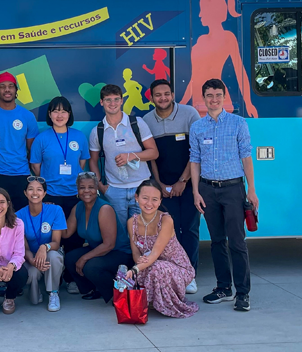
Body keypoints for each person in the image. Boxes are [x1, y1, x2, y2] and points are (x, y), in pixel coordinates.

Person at [190, 78, 259, 312]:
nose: (214, 99)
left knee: (237, 242)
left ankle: (242, 293)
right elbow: (195, 160)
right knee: (217, 241)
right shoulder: (197, 127)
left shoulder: (238, 123)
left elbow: (246, 157)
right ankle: (223, 288)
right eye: (209, 95)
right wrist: (196, 191)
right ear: (204, 99)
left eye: (218, 95)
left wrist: (251, 189)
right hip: (208, 190)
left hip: (233, 189)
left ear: (225, 97)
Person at [142, 80, 202, 294]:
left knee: (190, 230)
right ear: (151, 98)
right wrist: (159, 185)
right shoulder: (146, 120)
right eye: (158, 95)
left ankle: (190, 275)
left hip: (188, 184)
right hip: (162, 188)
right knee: (169, 232)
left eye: (167, 94)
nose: (163, 98)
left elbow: (196, 152)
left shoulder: (189, 114)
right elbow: (152, 159)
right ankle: (174, 274)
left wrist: (182, 181)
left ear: (173, 94)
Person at [29, 96, 88, 292]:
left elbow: (82, 164)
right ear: (49, 114)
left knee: (73, 238)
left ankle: (71, 278)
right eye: (55, 111)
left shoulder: (79, 136)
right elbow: (36, 168)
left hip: (73, 195)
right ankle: (49, 276)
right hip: (51, 196)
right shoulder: (41, 138)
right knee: (51, 237)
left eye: (64, 111)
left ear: (69, 114)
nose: (59, 115)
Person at [125, 180, 199, 318]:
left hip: (176, 267)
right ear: (137, 197)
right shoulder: (132, 223)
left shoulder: (166, 220)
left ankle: (165, 305)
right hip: (149, 263)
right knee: (144, 270)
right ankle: (150, 302)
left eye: (154, 199)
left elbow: (155, 253)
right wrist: (138, 262)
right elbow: (135, 252)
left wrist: (136, 268)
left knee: (156, 267)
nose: (149, 203)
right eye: (145, 198)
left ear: (160, 201)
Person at [89, 84, 158, 228]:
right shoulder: (98, 131)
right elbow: (93, 161)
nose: (112, 104)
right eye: (108, 100)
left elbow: (154, 152)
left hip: (141, 187)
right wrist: (101, 186)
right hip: (114, 190)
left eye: (116, 99)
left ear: (122, 101)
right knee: (119, 235)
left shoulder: (137, 123)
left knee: (142, 233)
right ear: (101, 102)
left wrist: (131, 156)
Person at [181, 0, 258, 118]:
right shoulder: (201, 40)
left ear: (213, 12)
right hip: (198, 105)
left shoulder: (228, 37)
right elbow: (194, 79)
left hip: (216, 103)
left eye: (202, 11)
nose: (200, 15)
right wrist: (180, 106)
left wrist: (248, 103)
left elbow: (240, 72)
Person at [63, 172, 132, 303]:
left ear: (96, 189)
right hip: (99, 249)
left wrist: (84, 258)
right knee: (70, 258)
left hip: (118, 252)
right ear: (78, 190)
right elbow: (65, 233)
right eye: (82, 187)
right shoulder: (78, 207)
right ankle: (93, 289)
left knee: (90, 265)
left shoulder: (104, 208)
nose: (86, 191)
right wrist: (50, 216)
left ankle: (116, 295)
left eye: (91, 187)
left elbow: (109, 244)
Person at [0, 72, 39, 211]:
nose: (7, 90)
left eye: (11, 86)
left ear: (16, 90)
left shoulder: (27, 116)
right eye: (3, 86)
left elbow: (32, 149)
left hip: (21, 176)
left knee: (20, 220)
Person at [16, 177, 66, 311]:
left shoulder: (56, 210)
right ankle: (34, 290)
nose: (35, 193)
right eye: (31, 189)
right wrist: (32, 260)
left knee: (54, 257)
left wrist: (44, 247)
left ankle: (53, 293)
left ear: (44, 193)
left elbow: (56, 242)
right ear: (25, 193)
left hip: (50, 252)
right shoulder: (18, 216)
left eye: (39, 189)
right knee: (34, 296)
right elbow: (23, 247)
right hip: (29, 256)